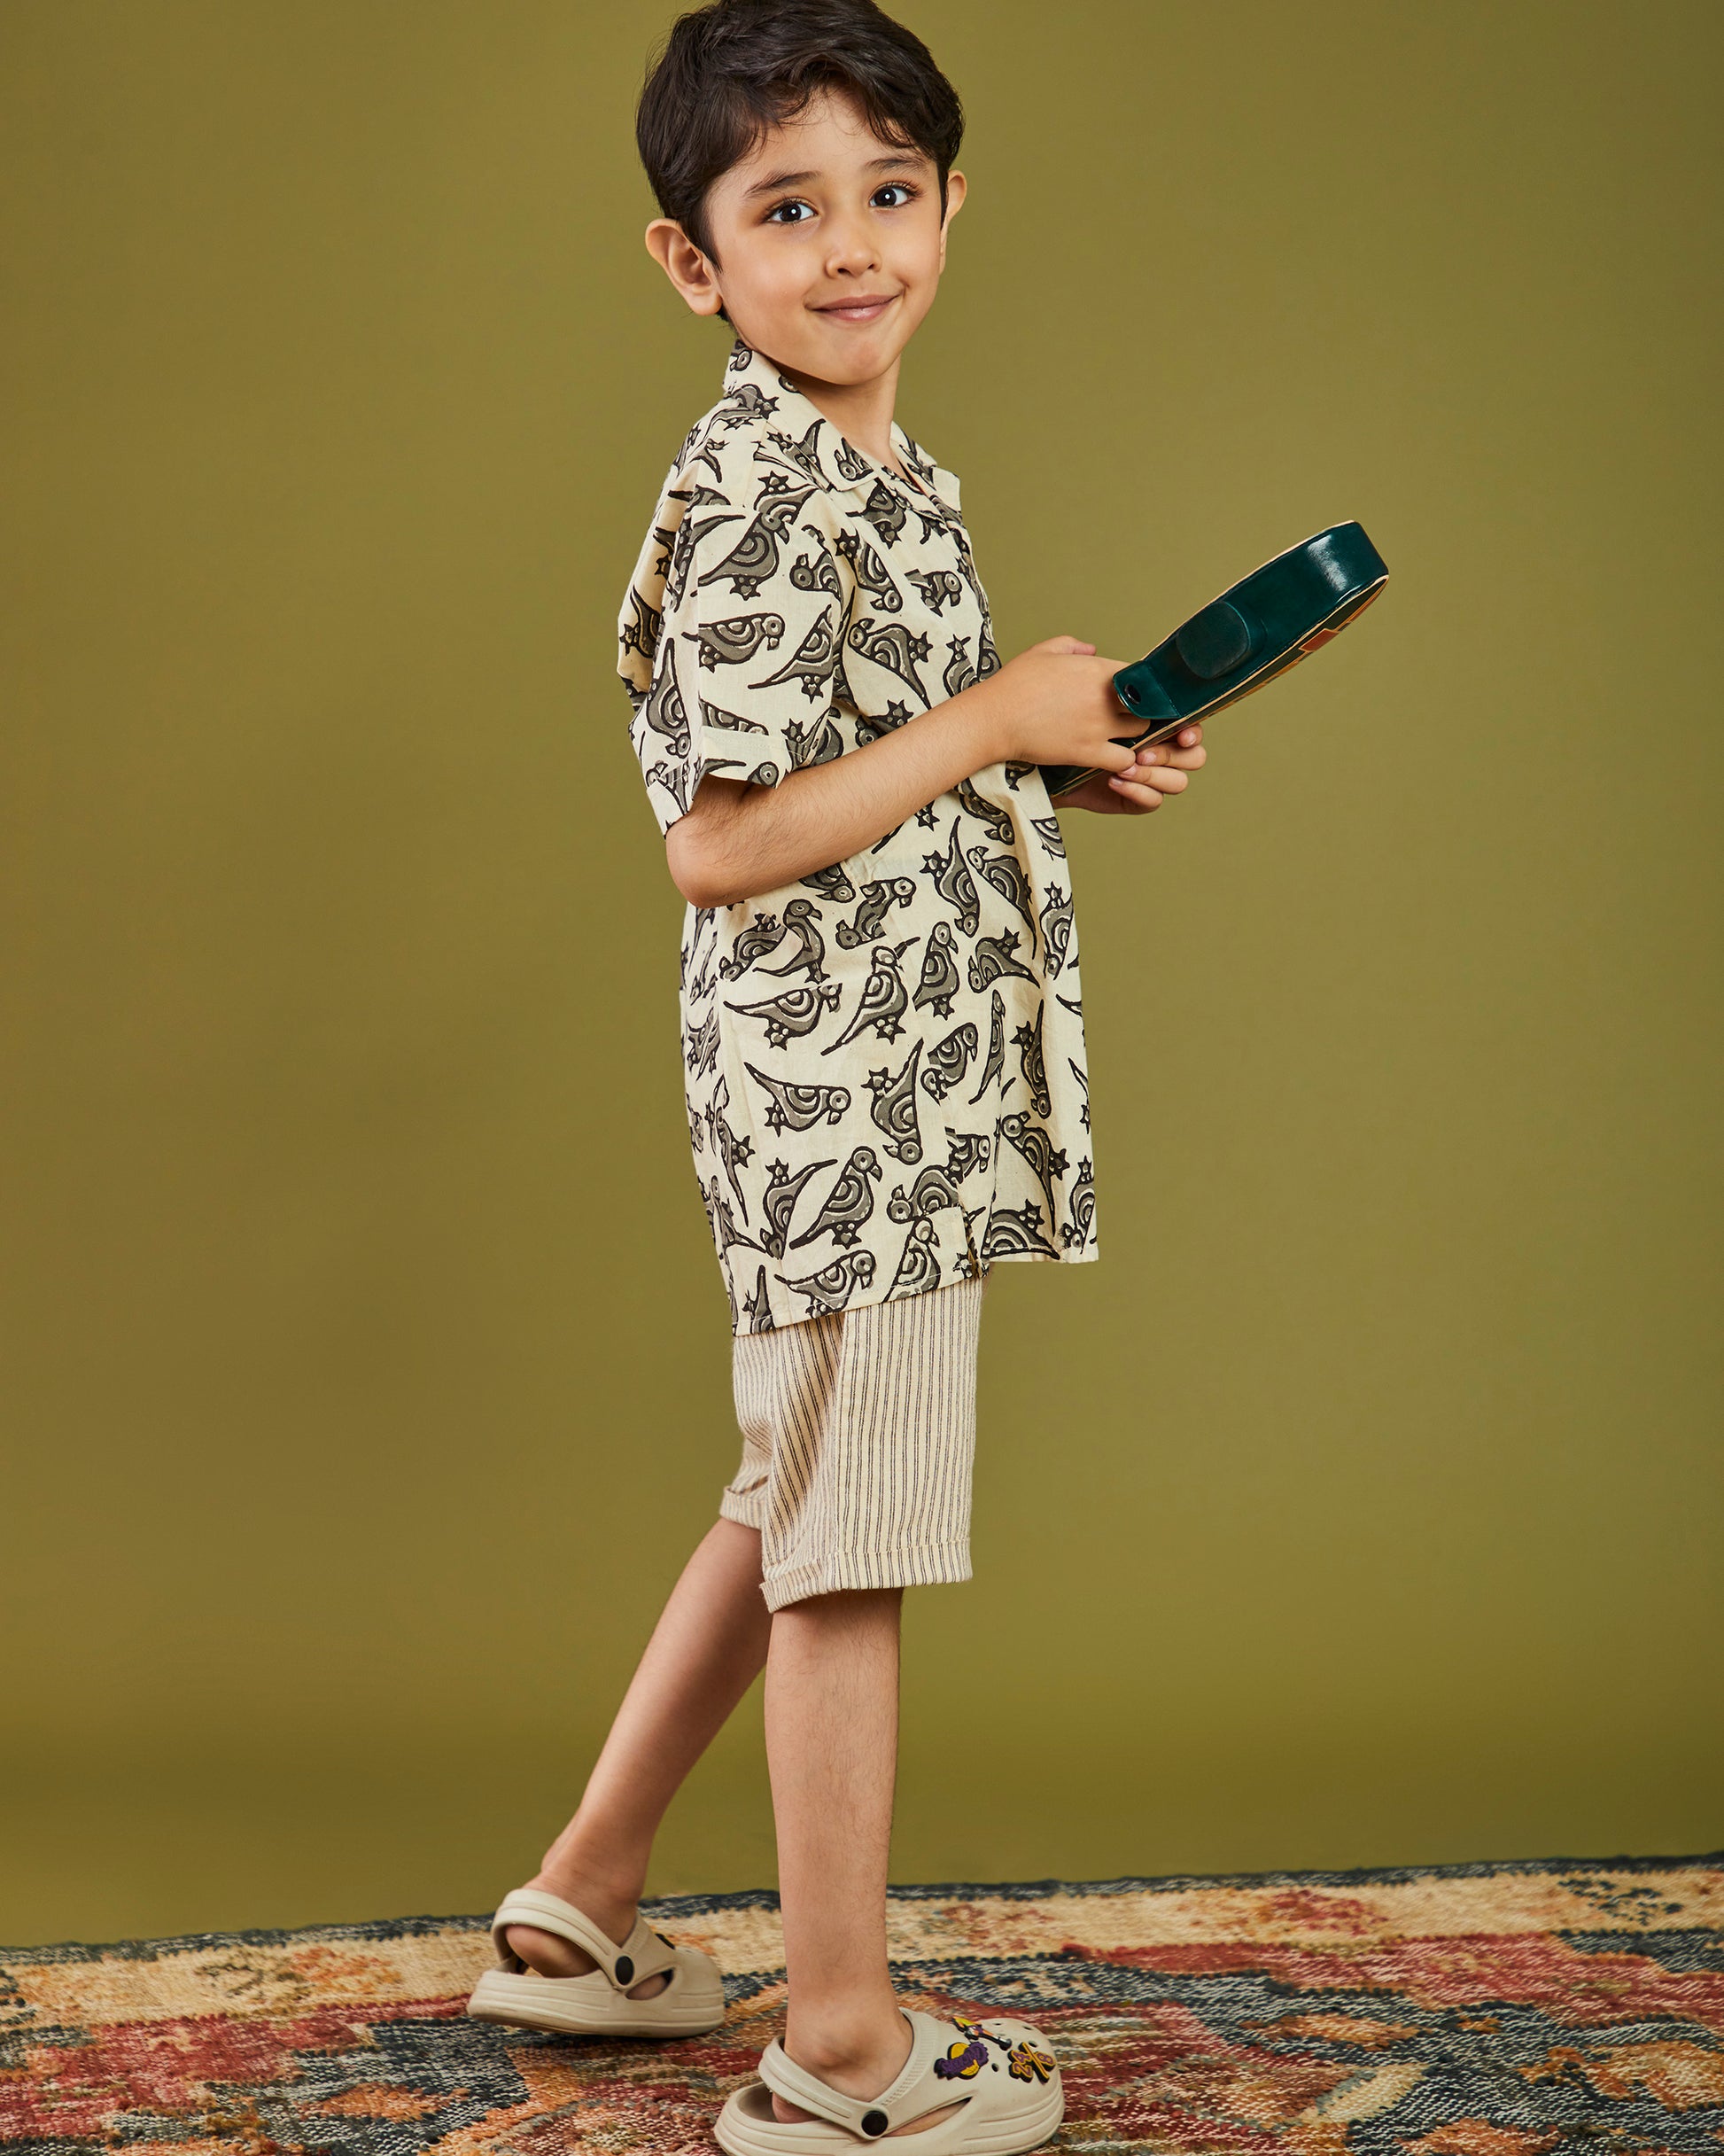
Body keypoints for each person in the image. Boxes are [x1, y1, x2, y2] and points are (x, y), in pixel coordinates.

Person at [466, 3, 1206, 2147]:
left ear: (951, 206)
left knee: (785, 1495)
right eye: (785, 208)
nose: (853, 244)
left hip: (897, 1086)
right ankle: (843, 2052)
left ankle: (583, 1895)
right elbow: (718, 841)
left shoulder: (876, 472)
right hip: (850, 1113)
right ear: (691, 262)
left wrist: (1037, 764)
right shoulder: (760, 491)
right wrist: (987, 724)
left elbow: (847, 778)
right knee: (845, 1552)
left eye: (888, 192)